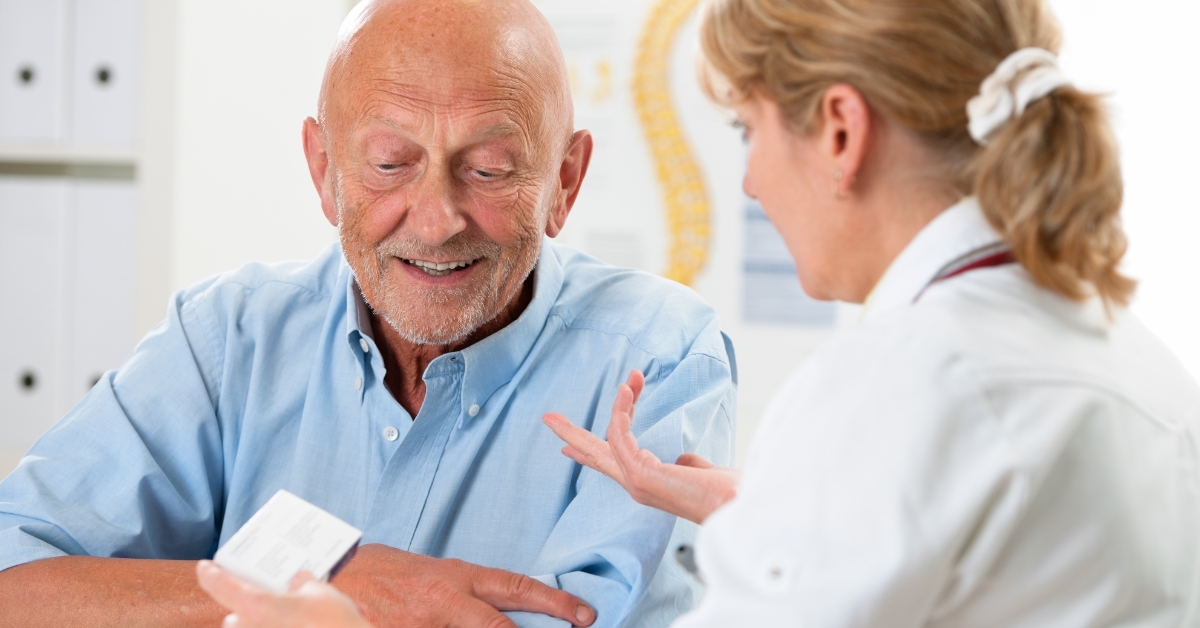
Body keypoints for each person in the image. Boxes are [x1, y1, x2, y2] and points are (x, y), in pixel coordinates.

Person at [176, 0, 1199, 624]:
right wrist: (771, 516)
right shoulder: (1112, 341)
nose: (751, 181)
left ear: (839, 131)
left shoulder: (898, 385)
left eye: (747, 128)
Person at [0, 0, 736, 626]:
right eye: (390, 162)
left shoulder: (659, 358)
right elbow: (15, 577)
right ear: (323, 171)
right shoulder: (227, 335)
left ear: (565, 183)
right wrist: (310, 589)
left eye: (488, 170)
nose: (438, 219)